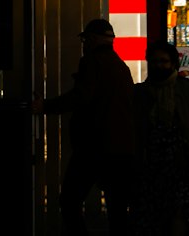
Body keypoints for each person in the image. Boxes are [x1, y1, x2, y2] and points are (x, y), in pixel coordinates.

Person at [43, 17, 136, 235]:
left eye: (85, 40)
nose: (83, 44)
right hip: (122, 148)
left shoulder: (91, 62)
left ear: (92, 39)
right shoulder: (121, 67)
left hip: (95, 147)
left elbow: (80, 97)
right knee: (117, 210)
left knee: (69, 200)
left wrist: (45, 106)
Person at [131, 40, 189, 236]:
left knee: (181, 215)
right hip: (150, 166)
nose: (159, 65)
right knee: (152, 215)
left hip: (183, 163)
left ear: (173, 63)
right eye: (154, 61)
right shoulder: (140, 93)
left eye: (164, 61)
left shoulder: (188, 90)